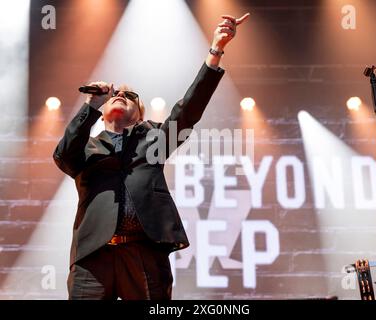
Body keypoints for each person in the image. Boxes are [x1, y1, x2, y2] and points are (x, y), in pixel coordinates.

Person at [53, 13, 250, 300]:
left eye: (129, 95)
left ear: (140, 113)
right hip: (94, 257)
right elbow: (63, 156)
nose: (120, 94)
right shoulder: (87, 147)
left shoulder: (153, 139)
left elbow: (188, 111)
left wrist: (216, 50)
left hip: (144, 252)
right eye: (115, 94)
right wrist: (90, 106)